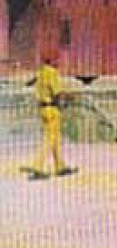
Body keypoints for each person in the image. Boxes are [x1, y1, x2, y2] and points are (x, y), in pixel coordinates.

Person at [24, 49, 75, 180]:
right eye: (58, 59)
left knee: (56, 139)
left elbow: (32, 83)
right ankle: (38, 166)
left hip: (43, 108)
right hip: (52, 108)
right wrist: (71, 96)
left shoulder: (41, 72)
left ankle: (59, 166)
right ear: (53, 60)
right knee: (50, 139)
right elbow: (57, 93)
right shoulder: (52, 73)